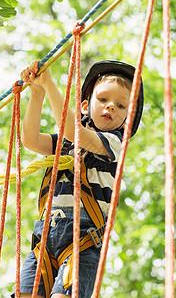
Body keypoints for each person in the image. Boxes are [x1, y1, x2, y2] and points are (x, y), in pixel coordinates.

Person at [14, 59, 144, 298]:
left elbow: (74, 131)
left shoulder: (114, 144)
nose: (111, 107)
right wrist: (37, 93)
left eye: (121, 105)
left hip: (82, 243)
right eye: (103, 100)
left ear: (127, 118)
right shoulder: (65, 144)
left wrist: (49, 83)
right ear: (85, 106)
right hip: (44, 239)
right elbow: (30, 140)